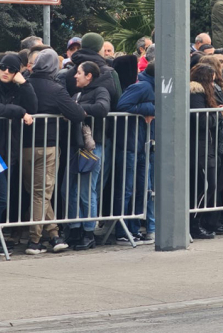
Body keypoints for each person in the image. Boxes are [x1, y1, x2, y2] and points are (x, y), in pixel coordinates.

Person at [21, 49, 83, 255]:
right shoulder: (55, 88)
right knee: (42, 193)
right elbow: (76, 114)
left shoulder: (24, 84)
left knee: (38, 194)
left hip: (24, 146)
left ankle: (54, 234)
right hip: (47, 146)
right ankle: (34, 241)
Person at [0, 53, 37, 255]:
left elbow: (33, 107)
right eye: (3, 68)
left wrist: (25, 84)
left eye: (11, 70)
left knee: (0, 198)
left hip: (7, 150)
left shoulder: (16, 85)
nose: (6, 72)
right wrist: (19, 111)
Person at [66, 61, 111, 251]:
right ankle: (75, 229)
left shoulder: (100, 91)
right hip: (76, 147)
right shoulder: (76, 93)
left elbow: (102, 108)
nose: (75, 76)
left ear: (89, 76)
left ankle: (88, 232)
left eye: (79, 73)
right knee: (73, 191)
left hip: (92, 148)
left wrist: (81, 110)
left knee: (87, 190)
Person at [115, 62, 157, 245]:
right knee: (127, 189)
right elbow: (122, 105)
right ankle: (121, 231)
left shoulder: (150, 86)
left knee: (142, 189)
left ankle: (133, 229)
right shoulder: (142, 86)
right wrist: (149, 109)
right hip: (131, 144)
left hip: (142, 146)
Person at [189, 64, 220, 240]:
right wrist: (216, 115)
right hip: (198, 147)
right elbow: (201, 121)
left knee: (205, 186)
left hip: (201, 146)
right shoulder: (196, 94)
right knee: (205, 186)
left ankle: (196, 223)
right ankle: (194, 224)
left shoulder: (198, 94)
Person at [61, 32, 122, 110]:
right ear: (99, 49)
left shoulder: (69, 73)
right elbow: (118, 101)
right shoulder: (110, 72)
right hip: (103, 119)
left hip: (75, 119)